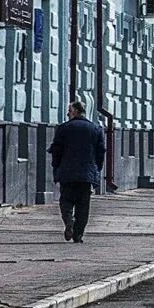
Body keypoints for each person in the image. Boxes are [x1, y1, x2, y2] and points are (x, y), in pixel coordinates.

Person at [49, 101, 105, 243]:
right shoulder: (96, 129)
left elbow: (56, 150)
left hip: (67, 173)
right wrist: (96, 168)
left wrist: (56, 166)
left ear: (74, 111)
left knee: (66, 200)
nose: (68, 113)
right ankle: (78, 234)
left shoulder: (64, 128)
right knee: (83, 205)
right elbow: (101, 152)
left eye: (69, 110)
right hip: (86, 175)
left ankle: (69, 220)